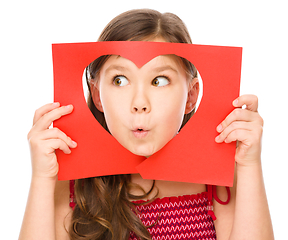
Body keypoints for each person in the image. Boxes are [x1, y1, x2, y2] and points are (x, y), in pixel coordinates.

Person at [19, 9, 274, 240]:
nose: (139, 103)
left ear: (192, 96)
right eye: (120, 80)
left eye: (159, 81)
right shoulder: (73, 182)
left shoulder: (216, 183)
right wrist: (42, 178)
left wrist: (250, 164)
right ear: (97, 95)